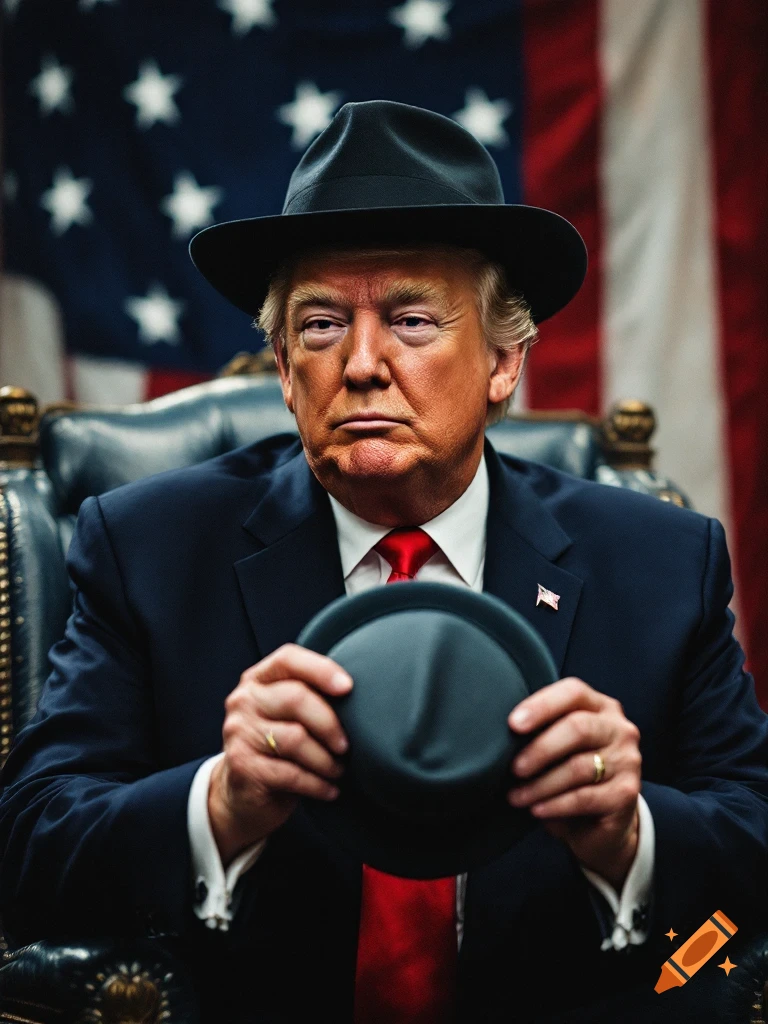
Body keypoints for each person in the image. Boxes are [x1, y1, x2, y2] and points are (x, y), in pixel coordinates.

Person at [1, 100, 767, 1024]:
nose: (361, 364)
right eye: (321, 325)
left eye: (411, 320)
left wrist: (627, 833)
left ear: (503, 361)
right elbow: (32, 844)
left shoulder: (661, 561)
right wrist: (219, 803)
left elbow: (753, 838)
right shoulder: (149, 548)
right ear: (283, 367)